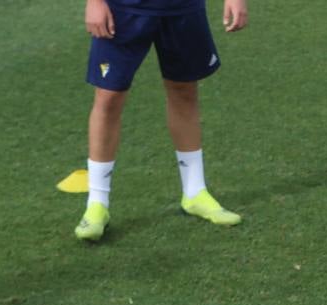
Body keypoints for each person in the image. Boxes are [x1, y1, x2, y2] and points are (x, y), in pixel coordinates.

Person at [75, 0, 248, 241]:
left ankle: (195, 192)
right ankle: (97, 204)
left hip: (183, 7)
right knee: (109, 96)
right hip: (123, 9)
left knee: (184, 90)